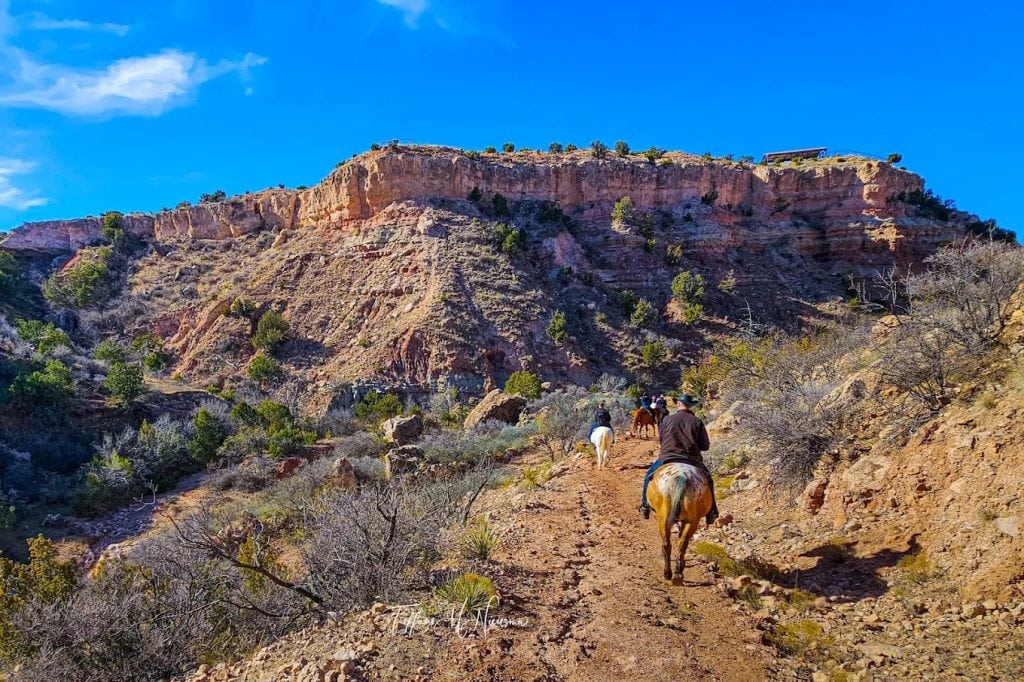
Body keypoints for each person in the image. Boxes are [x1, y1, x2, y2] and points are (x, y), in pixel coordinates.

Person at [639, 394, 719, 525]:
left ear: (679, 405)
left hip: (668, 457)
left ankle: (644, 506)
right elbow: (705, 446)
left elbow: (661, 440)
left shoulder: (667, 419)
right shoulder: (697, 421)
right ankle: (712, 511)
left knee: (648, 476)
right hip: (691, 459)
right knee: (708, 479)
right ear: (690, 406)